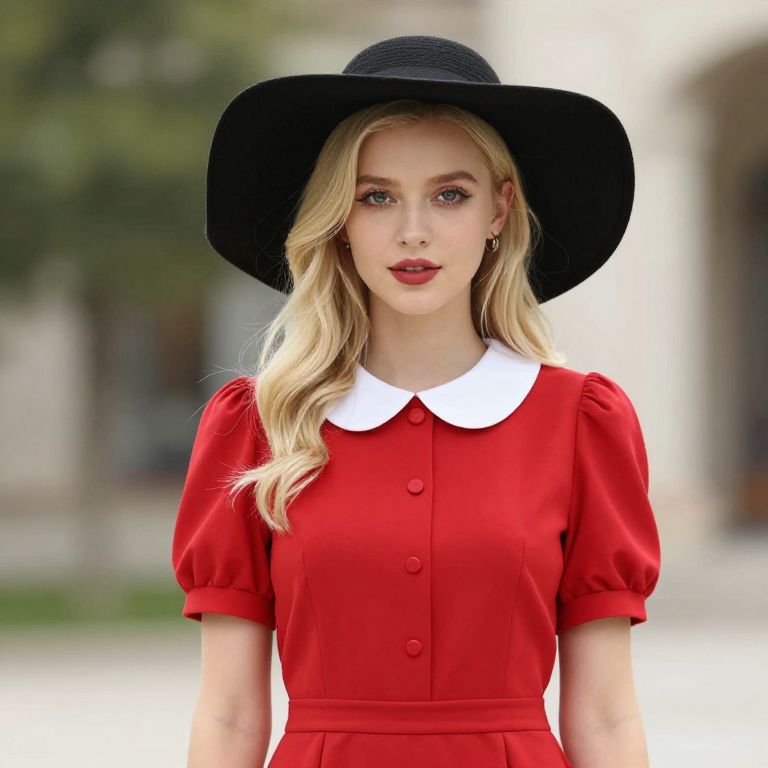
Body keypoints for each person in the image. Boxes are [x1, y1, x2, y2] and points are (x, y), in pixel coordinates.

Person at [171, 34, 661, 768]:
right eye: (376, 196)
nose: (413, 232)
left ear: (500, 210)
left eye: (449, 195)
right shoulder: (257, 427)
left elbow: (606, 717)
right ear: (338, 217)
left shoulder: (581, 423)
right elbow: (230, 717)